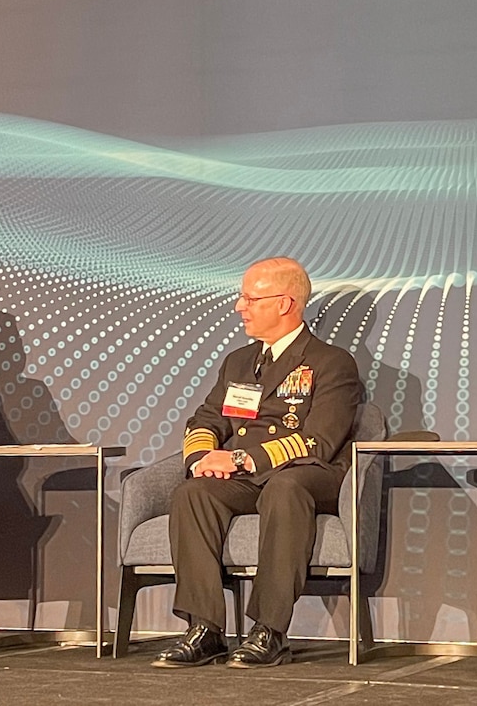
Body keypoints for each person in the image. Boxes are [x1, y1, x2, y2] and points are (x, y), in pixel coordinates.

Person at [154, 257, 361, 669]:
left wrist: (240, 458)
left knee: (286, 488)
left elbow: (318, 441)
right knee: (194, 492)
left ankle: (270, 630)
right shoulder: (239, 362)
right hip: (248, 476)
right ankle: (205, 629)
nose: (239, 306)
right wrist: (202, 457)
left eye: (250, 298)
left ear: (285, 303)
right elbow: (207, 418)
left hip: (308, 475)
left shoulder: (330, 361)